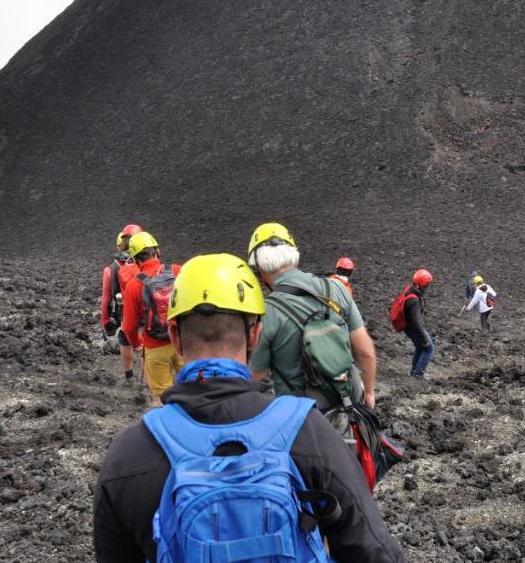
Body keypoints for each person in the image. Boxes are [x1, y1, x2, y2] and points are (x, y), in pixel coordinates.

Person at [93, 253, 407, 562]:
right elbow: (374, 550)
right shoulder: (308, 432)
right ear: (255, 334)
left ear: (174, 337)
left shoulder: (129, 454)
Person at [246, 223, 377, 411]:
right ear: (294, 258)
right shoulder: (337, 288)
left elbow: (258, 380)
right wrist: (369, 393)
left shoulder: (265, 312)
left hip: (299, 423)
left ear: (258, 268)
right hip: (347, 408)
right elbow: (365, 352)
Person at [118, 230, 182, 403]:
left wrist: (139, 343)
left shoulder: (134, 285)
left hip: (154, 347)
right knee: (194, 392)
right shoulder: (178, 271)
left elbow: (129, 326)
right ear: (157, 251)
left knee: (162, 400)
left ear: (136, 259)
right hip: (184, 344)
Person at [99, 223, 141, 383]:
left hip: (125, 312)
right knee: (149, 344)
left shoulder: (111, 269)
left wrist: (105, 320)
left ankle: (129, 376)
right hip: (146, 310)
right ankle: (149, 377)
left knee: (125, 339)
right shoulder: (146, 262)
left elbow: (106, 298)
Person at [399, 269, 434, 378]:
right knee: (429, 349)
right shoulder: (414, 300)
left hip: (408, 327)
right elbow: (416, 321)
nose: (428, 286)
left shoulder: (410, 289)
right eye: (427, 284)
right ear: (423, 284)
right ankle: (418, 374)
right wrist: (423, 339)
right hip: (413, 328)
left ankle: (413, 371)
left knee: (419, 347)